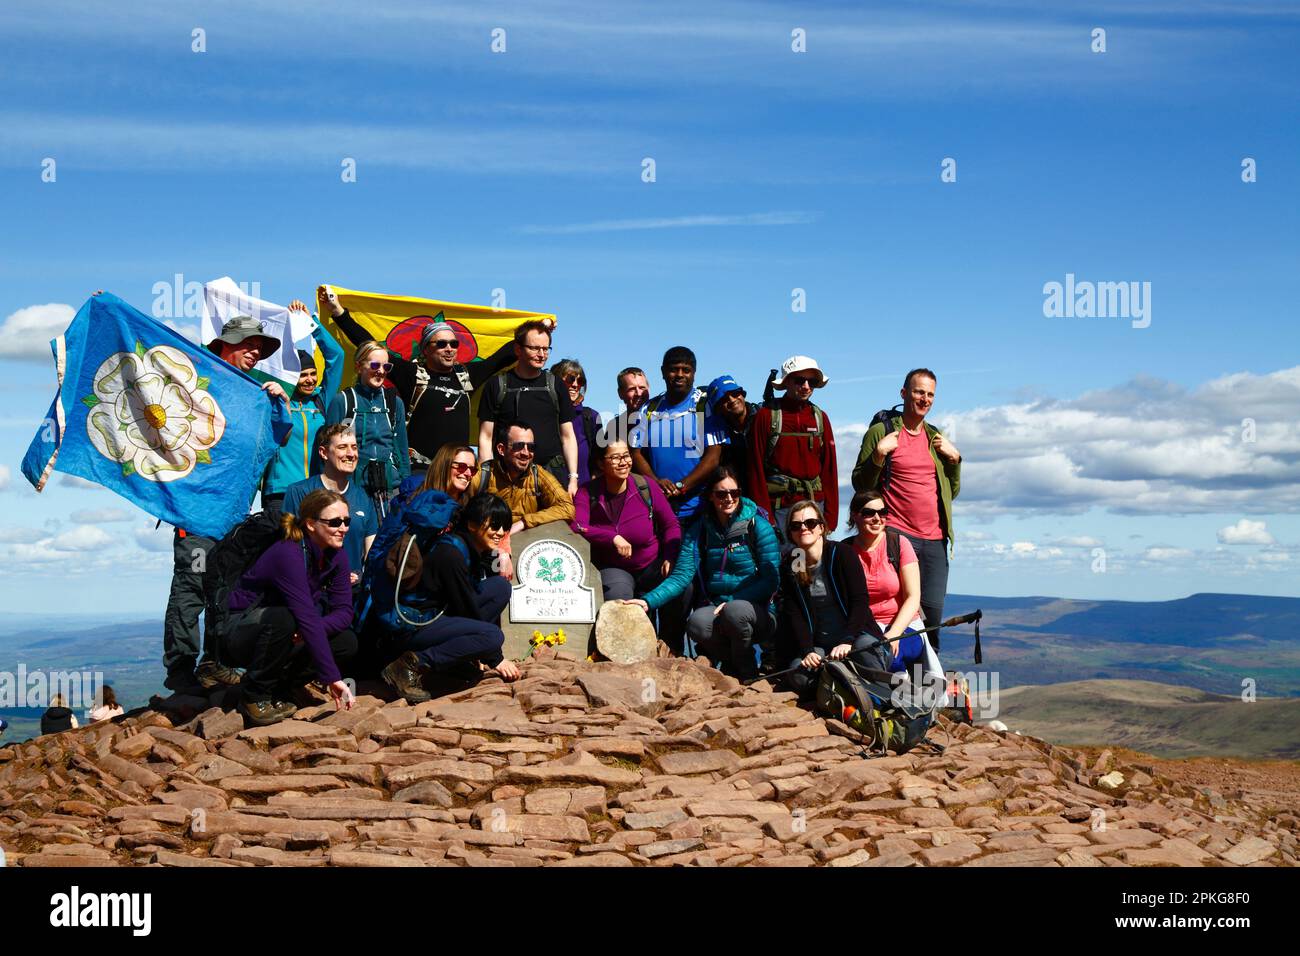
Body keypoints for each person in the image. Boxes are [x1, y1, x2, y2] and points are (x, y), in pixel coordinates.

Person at [163, 314, 290, 696]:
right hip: (195, 515)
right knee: (193, 586)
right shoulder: (197, 379)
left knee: (221, 589)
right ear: (225, 343)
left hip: (232, 517)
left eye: (261, 347)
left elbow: (279, 436)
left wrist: (278, 401)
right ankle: (181, 670)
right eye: (248, 343)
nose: (255, 351)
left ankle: (214, 662)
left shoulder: (253, 392)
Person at [322, 288, 536, 459]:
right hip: (419, 470)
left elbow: (500, 358)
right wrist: (338, 312)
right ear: (425, 349)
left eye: (454, 343)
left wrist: (536, 332)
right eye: (441, 344)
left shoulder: (466, 375)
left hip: (458, 473)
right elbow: (370, 347)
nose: (449, 348)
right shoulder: (411, 373)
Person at [626, 466, 779, 674]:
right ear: (710, 497)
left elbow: (771, 580)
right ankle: (733, 666)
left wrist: (732, 601)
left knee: (735, 612)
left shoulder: (758, 526)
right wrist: (648, 601)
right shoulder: (699, 530)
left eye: (734, 493)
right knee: (697, 623)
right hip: (717, 608)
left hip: (756, 611)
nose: (729, 499)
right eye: (721, 494)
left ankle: (746, 670)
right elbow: (681, 576)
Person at [224, 489, 358, 725]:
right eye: (335, 522)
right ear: (310, 524)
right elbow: (305, 615)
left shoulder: (337, 555)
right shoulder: (288, 553)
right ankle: (254, 696)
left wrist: (307, 632)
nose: (344, 528)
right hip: (240, 632)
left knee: (345, 642)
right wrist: (332, 678)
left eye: (347, 521)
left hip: (285, 631)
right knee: (283, 618)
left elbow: (345, 612)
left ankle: (280, 689)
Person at [851, 368, 962, 643]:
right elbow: (860, 485)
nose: (924, 399)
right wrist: (878, 455)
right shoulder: (881, 432)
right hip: (899, 537)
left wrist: (955, 461)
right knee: (901, 615)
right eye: (918, 392)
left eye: (930, 394)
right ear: (904, 393)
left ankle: (928, 682)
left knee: (932, 620)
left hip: (936, 540)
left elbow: (952, 492)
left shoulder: (935, 437)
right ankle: (892, 679)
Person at [381, 492, 523, 702]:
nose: (500, 532)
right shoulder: (451, 555)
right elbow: (467, 610)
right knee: (492, 636)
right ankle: (409, 665)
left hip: (438, 614)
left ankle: (457, 660)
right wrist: (495, 657)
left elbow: (467, 605)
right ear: (472, 525)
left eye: (503, 526)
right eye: (494, 526)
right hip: (414, 625)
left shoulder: (469, 546)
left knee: (500, 587)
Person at [777, 500, 887, 699]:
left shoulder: (842, 554)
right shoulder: (793, 562)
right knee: (800, 676)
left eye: (810, 523)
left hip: (855, 637)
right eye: (796, 525)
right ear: (791, 534)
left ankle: (879, 696)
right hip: (820, 645)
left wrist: (847, 640)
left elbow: (860, 601)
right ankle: (840, 689)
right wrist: (807, 650)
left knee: (865, 651)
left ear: (821, 527)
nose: (803, 528)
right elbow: (794, 611)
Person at [260, 299, 345, 517]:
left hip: (316, 491)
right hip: (280, 492)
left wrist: (310, 323)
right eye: (302, 375)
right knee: (284, 550)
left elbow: (337, 356)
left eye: (312, 374)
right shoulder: (276, 401)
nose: (309, 380)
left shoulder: (320, 400)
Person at [571, 439, 682, 604]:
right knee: (619, 598)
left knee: (682, 589)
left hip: (651, 564)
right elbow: (578, 526)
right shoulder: (587, 492)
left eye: (626, 456)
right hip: (614, 568)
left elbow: (671, 524)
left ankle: (669, 631)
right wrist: (612, 537)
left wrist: (670, 556)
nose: (623, 462)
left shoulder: (645, 486)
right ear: (601, 464)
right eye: (615, 458)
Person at [477, 321, 579, 497]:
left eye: (546, 349)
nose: (542, 355)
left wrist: (573, 478)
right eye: (535, 348)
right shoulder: (496, 386)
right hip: (505, 480)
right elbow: (485, 437)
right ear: (518, 350)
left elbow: (568, 436)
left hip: (552, 478)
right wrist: (487, 479)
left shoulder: (556, 386)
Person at [629, 346, 727, 522]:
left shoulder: (705, 405)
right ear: (663, 372)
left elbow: (714, 456)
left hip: (699, 510)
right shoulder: (649, 408)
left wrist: (682, 486)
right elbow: (635, 453)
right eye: (674, 369)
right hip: (658, 507)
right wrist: (655, 483)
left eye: (686, 370)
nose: (680, 374)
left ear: (694, 373)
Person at [748, 355, 839, 543]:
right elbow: (754, 470)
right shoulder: (766, 417)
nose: (806, 386)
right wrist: (766, 520)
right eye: (800, 380)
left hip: (815, 507)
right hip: (779, 509)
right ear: (787, 382)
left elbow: (829, 470)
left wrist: (830, 518)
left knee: (814, 567)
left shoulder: (821, 418)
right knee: (783, 566)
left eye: (812, 381)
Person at [282, 424, 379, 590]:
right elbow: (288, 548)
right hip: (311, 592)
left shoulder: (363, 497)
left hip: (351, 593)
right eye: (342, 447)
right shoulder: (299, 492)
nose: (351, 454)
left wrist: (362, 575)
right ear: (323, 453)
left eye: (354, 448)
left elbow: (372, 551)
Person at [326, 340, 410, 518]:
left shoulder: (395, 403)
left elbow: (401, 449)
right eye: (374, 365)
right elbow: (327, 451)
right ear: (358, 367)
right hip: (352, 489)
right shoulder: (343, 401)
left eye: (386, 366)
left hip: (390, 489)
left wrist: (406, 488)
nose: (381, 371)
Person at [845, 488, 924, 644]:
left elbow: (913, 597)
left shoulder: (899, 544)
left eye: (882, 512)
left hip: (903, 626)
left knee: (888, 656)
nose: (877, 518)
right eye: (869, 513)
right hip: (862, 629)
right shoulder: (844, 551)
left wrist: (893, 634)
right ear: (855, 516)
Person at [468, 421, 575, 532]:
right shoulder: (483, 474)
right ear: (501, 449)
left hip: (524, 544)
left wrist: (524, 522)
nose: (526, 452)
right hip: (486, 543)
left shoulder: (538, 475)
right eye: (518, 446)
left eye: (531, 447)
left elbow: (567, 508)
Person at [705, 374, 760, 495]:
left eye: (735, 393)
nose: (732, 400)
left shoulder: (763, 418)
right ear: (717, 408)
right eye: (724, 399)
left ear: (742, 394)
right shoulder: (716, 434)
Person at [553, 358, 602, 486]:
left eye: (580, 381)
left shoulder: (591, 417)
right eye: (570, 379)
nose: (575, 385)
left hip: (584, 492)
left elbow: (600, 457)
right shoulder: (545, 414)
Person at [606, 366, 651, 446]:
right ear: (620, 393)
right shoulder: (615, 427)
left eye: (642, 388)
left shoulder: (660, 419)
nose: (639, 393)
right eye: (632, 389)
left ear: (649, 389)